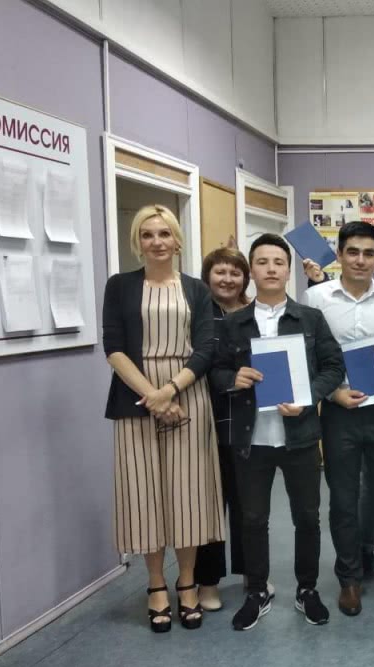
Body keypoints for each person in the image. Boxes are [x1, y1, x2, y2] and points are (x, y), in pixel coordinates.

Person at [209, 234, 345, 631]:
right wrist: (232, 378)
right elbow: (214, 370)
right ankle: (256, 591)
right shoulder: (234, 323)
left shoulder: (310, 319)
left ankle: (307, 589)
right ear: (251, 271)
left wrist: (308, 396)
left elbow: (333, 366)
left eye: (278, 262)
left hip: (299, 435)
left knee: (307, 517)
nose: (271, 269)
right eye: (262, 262)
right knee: (252, 519)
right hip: (251, 439)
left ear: (289, 271)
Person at [102, 204, 224, 633]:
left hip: (187, 394)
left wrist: (169, 390)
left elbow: (206, 348)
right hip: (134, 396)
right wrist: (152, 396)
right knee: (144, 495)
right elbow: (114, 348)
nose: (157, 241)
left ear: (177, 240)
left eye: (164, 233)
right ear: (138, 241)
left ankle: (187, 582)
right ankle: (155, 584)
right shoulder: (119, 286)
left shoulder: (196, 289)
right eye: (148, 234)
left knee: (188, 495)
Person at [304, 221, 374, 615]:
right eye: (352, 252)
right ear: (339, 255)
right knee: (343, 499)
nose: (360, 260)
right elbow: (309, 359)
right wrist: (332, 393)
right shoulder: (316, 298)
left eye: (369, 253)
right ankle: (349, 579)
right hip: (339, 414)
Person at [193, 247, 266, 612]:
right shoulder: (196, 314)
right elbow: (194, 365)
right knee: (210, 506)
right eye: (219, 272)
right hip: (206, 419)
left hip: (251, 422)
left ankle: (253, 575)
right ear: (207, 276)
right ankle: (207, 582)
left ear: (245, 278)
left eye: (235, 273)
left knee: (248, 506)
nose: (227, 279)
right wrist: (228, 380)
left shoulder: (256, 313)